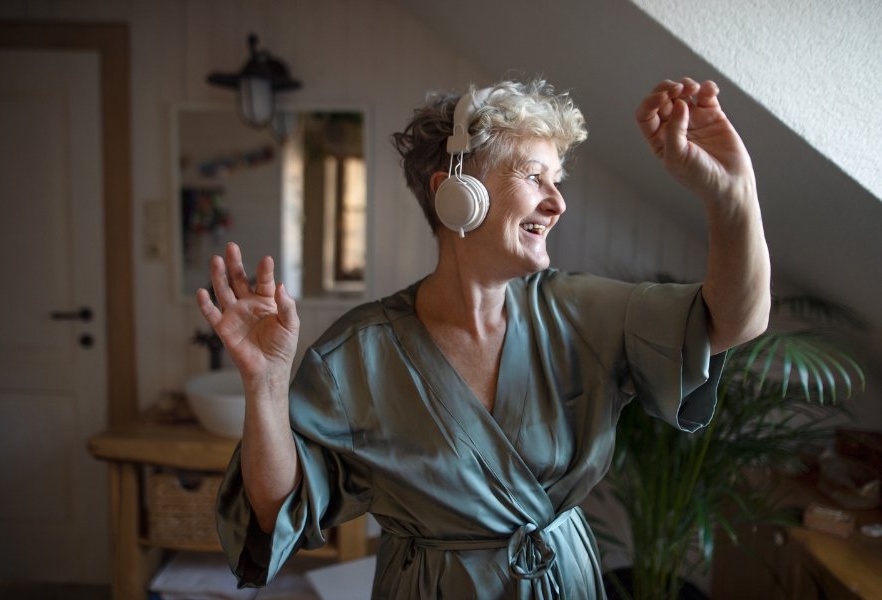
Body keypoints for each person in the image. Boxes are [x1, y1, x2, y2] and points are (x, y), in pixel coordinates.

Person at [198, 77, 771, 599]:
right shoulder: (359, 355)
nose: (558, 201)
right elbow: (277, 511)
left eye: (558, 180)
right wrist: (266, 385)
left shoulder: (581, 311)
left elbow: (731, 321)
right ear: (456, 193)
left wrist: (731, 193)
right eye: (533, 176)